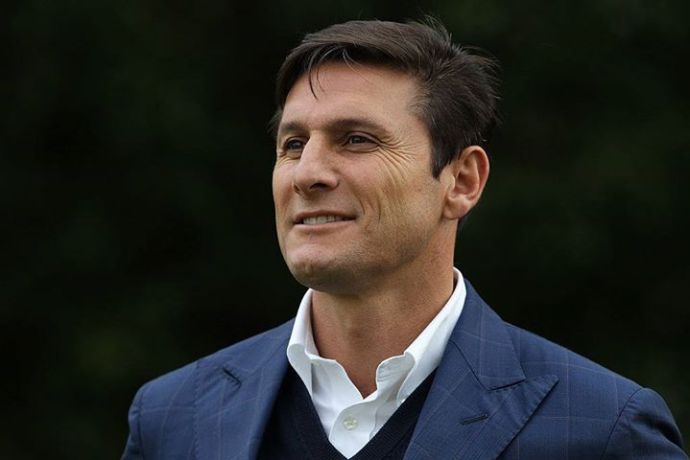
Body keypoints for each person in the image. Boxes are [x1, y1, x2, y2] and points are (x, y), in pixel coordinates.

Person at [122, 19, 687, 459]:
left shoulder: (603, 430)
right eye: (293, 144)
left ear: (461, 182)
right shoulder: (172, 419)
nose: (307, 173)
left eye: (356, 139)